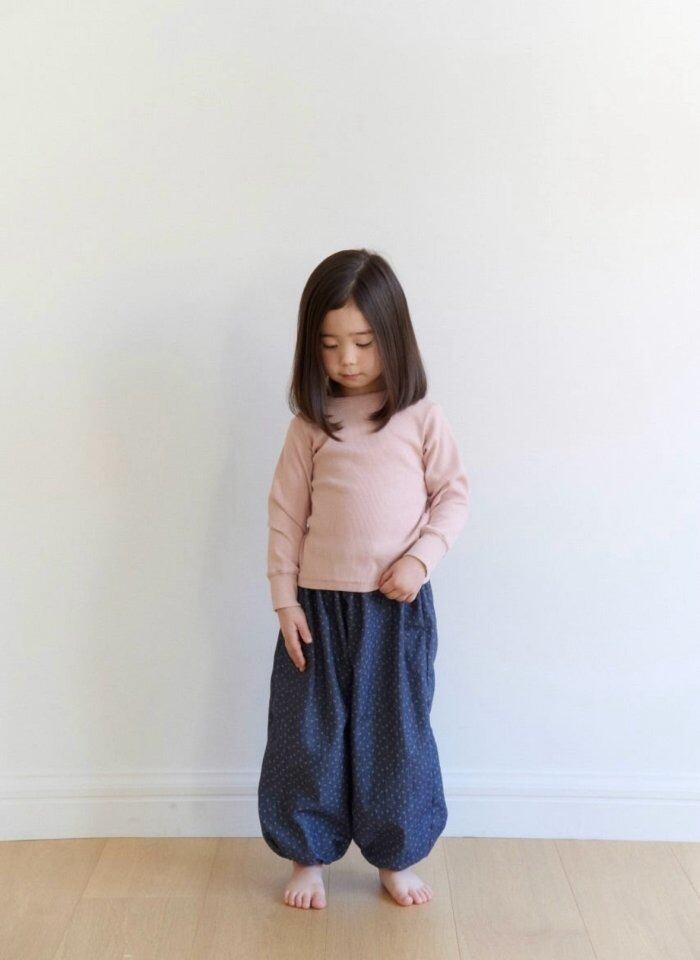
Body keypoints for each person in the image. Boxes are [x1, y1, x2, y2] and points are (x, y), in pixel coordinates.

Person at [257, 248, 470, 910]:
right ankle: (308, 857)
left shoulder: (420, 415)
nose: (346, 359)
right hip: (317, 612)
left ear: (393, 337)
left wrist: (420, 559)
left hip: (395, 609)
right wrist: (285, 601)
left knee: (395, 736)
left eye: (363, 341)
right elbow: (285, 514)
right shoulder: (310, 425)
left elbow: (453, 495)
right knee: (308, 737)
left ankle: (394, 858)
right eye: (329, 345)